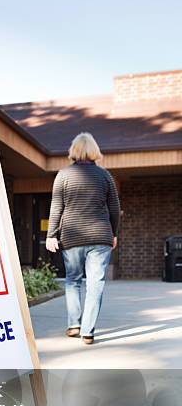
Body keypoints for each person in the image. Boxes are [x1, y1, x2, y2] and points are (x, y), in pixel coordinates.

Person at [46, 132, 120, 345]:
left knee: (73, 281)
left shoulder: (63, 175)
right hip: (100, 236)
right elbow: (115, 209)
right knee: (95, 284)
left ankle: (74, 324)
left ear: (74, 150)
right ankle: (88, 331)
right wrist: (113, 233)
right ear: (94, 151)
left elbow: (57, 207)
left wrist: (51, 235)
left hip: (72, 237)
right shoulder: (105, 175)